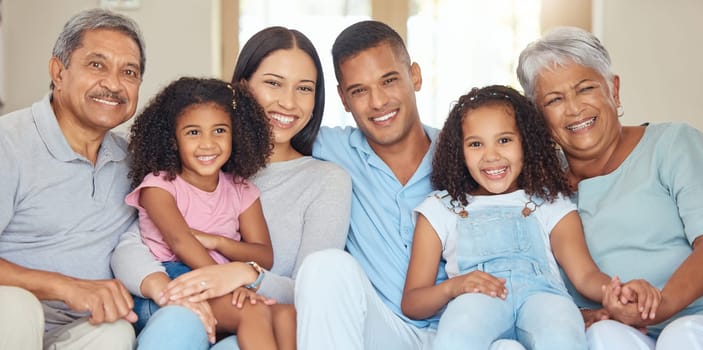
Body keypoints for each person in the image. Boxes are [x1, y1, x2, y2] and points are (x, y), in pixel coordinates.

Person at [292, 20, 525, 350]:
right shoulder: (330, 149)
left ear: (414, 75)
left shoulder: (472, 153)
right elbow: (261, 130)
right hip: (380, 328)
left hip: (466, 330)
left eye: (389, 81)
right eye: (359, 91)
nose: (377, 102)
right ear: (343, 99)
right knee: (325, 267)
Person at [0, 8, 214, 350]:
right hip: (10, 318)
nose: (113, 84)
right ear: (58, 71)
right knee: (15, 305)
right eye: (96, 65)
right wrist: (65, 286)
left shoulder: (135, 159)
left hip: (82, 326)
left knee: (116, 331)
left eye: (128, 72)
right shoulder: (8, 142)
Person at [401, 85, 661, 349]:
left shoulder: (549, 203)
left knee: (561, 328)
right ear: (460, 152)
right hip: (477, 298)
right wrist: (454, 287)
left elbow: (585, 275)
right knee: (459, 330)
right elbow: (413, 302)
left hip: (543, 297)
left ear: (526, 143)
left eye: (504, 140)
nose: (491, 156)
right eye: (476, 144)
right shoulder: (441, 209)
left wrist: (619, 292)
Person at [153, 27, 351, 349]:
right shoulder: (203, 159)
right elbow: (138, 237)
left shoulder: (326, 181)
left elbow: (312, 292)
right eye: (273, 83)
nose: (288, 102)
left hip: (267, 327)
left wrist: (247, 274)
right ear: (241, 86)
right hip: (184, 308)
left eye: (304, 88)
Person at [517, 26, 703, 349]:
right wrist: (586, 315)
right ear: (537, 117)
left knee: (679, 337)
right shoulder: (539, 190)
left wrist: (657, 306)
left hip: (692, 321)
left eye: (585, 88)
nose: (574, 108)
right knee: (602, 336)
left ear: (613, 90)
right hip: (616, 330)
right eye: (554, 99)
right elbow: (530, 286)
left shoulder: (673, 144)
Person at [125, 76, 296, 349]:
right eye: (193, 132)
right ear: (172, 140)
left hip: (218, 281)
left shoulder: (241, 190)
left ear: (235, 133)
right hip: (172, 284)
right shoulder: (158, 187)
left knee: (287, 315)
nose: (208, 144)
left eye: (219, 131)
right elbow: (181, 242)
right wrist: (223, 282)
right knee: (253, 310)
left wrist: (218, 242)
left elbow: (264, 255)